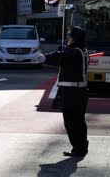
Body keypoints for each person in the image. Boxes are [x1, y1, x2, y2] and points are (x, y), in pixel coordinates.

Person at [42, 26, 90, 157]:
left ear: (75, 38)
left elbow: (59, 56)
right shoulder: (81, 50)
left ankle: (78, 148)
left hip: (72, 93)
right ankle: (81, 148)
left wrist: (43, 57)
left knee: (72, 122)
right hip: (77, 92)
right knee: (78, 121)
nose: (68, 38)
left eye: (70, 36)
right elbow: (63, 55)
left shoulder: (74, 52)